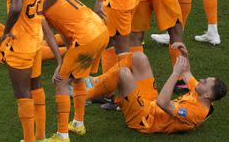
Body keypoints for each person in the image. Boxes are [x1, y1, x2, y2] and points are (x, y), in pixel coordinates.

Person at [0, 0, 63, 142]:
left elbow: (16, 7)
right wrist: (40, 10)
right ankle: (40, 137)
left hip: (21, 44)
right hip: (36, 40)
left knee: (22, 92)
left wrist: (7, 30)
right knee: (36, 86)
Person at [87, 45, 225, 134]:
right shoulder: (202, 94)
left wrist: (175, 73)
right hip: (150, 103)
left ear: (207, 94)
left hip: (145, 120)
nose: (201, 80)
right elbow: (187, 72)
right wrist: (184, 54)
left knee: (124, 73)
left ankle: (86, 95)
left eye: (205, 82)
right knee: (139, 57)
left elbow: (163, 103)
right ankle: (96, 82)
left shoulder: (195, 113)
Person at [41, 0, 109, 142]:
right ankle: (78, 124)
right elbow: (65, 30)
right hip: (101, 31)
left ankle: (62, 135)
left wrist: (60, 63)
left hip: (86, 38)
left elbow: (49, 36)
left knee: (60, 81)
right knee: (78, 77)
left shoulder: (35, 3)